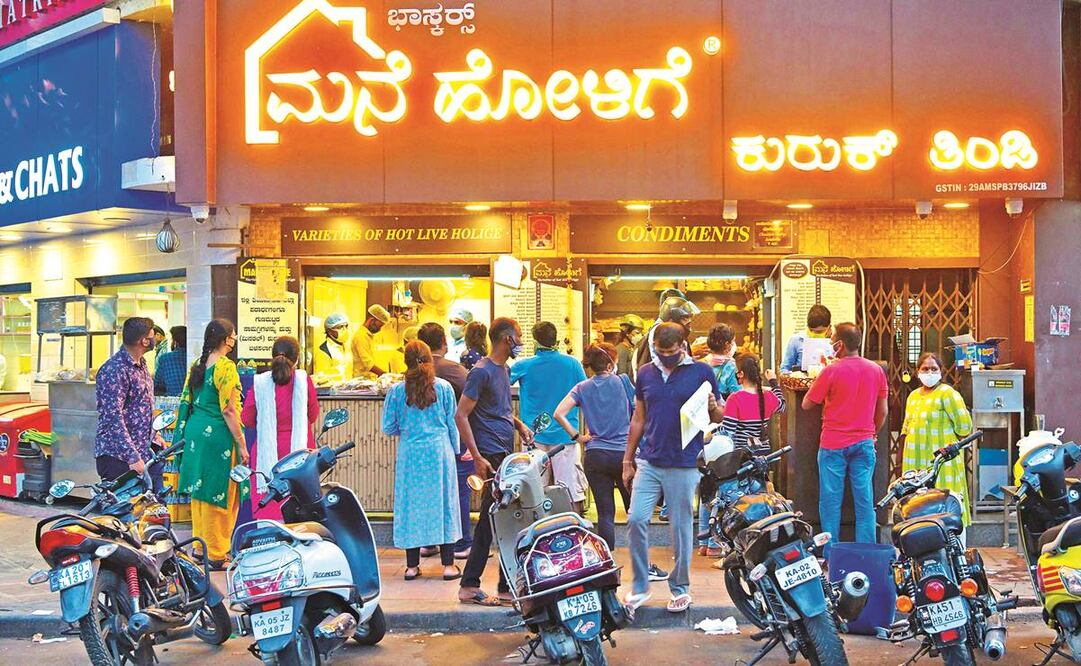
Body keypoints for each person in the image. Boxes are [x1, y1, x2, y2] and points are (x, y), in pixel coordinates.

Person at [624, 322, 724, 613]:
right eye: (659, 351)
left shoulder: (702, 372)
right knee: (636, 519)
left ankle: (680, 587)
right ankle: (641, 585)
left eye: (670, 351)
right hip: (649, 460)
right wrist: (627, 460)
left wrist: (712, 406)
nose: (664, 356)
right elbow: (638, 419)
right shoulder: (645, 373)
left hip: (684, 462)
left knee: (680, 529)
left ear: (683, 346)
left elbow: (719, 412)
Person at [457, 317, 535, 607]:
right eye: (518, 337)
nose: (521, 342)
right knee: (492, 521)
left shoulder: (504, 369)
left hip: (504, 454)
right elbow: (461, 414)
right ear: (506, 339)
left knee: (508, 519)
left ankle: (506, 585)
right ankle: (469, 586)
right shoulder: (480, 372)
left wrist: (519, 424)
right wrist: (476, 457)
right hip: (489, 457)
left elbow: (497, 409)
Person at [801, 322, 888, 557]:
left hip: (833, 444)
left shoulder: (832, 370)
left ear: (839, 344)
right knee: (864, 501)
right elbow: (883, 411)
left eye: (832, 340)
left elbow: (807, 403)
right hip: (864, 443)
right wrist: (872, 432)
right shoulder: (876, 370)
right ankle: (867, 554)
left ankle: (832, 554)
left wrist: (823, 374)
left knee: (830, 503)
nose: (830, 344)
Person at [382, 340, 463, 581]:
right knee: (444, 504)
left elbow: (388, 427)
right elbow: (452, 423)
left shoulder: (397, 391)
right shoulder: (444, 388)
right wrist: (457, 450)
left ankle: (411, 566)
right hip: (439, 452)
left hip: (411, 453)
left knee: (412, 506)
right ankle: (448, 566)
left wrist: (408, 432)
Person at [175, 319, 249, 568]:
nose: (235, 339)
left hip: (197, 434)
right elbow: (229, 410)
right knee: (221, 494)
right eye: (234, 335)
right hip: (218, 437)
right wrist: (241, 443)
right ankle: (217, 554)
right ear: (226, 339)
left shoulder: (198, 366)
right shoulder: (226, 368)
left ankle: (200, 548)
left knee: (201, 492)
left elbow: (187, 401)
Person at [553, 343, 633, 549]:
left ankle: (607, 563)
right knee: (634, 510)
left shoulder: (582, 387)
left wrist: (578, 437)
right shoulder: (622, 382)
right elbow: (640, 411)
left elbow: (559, 413)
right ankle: (641, 561)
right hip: (624, 455)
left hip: (595, 454)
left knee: (605, 512)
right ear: (609, 364)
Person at [510, 321, 588, 510]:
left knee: (534, 491)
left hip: (533, 436)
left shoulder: (524, 366)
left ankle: (536, 533)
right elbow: (587, 395)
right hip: (565, 436)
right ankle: (571, 529)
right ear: (556, 339)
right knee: (569, 491)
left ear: (535, 342)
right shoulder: (572, 364)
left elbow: (498, 385)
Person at [240, 336, 319, 521]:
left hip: (267, 455)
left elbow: (247, 419)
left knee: (269, 510)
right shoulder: (303, 381)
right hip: (300, 453)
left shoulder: (259, 383)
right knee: (301, 507)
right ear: (297, 359)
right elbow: (313, 415)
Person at [417, 322, 473, 559]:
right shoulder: (455, 371)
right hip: (454, 440)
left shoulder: (409, 375)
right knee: (458, 490)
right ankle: (460, 543)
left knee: (427, 490)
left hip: (419, 445)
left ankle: (428, 542)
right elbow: (474, 400)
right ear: (444, 343)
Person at [899, 352, 974, 526]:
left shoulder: (947, 393)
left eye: (934, 369)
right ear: (917, 371)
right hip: (915, 463)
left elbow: (964, 427)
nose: (930, 372)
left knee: (946, 505)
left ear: (941, 372)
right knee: (917, 506)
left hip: (941, 462)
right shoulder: (913, 397)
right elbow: (906, 427)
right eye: (925, 369)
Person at [95, 317, 159, 487]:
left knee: (154, 510)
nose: (156, 338)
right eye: (153, 334)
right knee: (124, 511)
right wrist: (132, 457)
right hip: (120, 458)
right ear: (144, 341)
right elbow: (112, 417)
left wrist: (154, 434)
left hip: (145, 452)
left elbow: (142, 406)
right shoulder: (114, 370)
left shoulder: (142, 365)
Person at [719, 353, 786, 455]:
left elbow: (728, 432)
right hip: (763, 455)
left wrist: (712, 432)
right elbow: (782, 406)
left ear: (740, 374)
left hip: (742, 456)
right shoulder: (768, 396)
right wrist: (773, 382)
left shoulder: (735, 399)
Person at [782, 304, 832, 373]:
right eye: (811, 330)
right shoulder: (796, 340)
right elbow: (785, 368)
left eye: (819, 332)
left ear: (829, 327)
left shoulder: (836, 342)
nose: (815, 333)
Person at [352, 304, 391, 378]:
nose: (379, 329)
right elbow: (368, 364)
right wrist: (386, 375)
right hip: (361, 382)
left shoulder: (369, 337)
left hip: (370, 380)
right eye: (379, 326)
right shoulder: (360, 337)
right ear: (371, 320)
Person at [703, 323, 740, 399]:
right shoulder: (731, 366)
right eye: (732, 342)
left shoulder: (704, 363)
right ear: (727, 344)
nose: (734, 345)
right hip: (724, 408)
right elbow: (737, 393)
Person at [314, 312, 351, 383]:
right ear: (329, 331)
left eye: (346, 326)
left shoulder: (345, 347)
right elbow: (321, 381)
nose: (345, 330)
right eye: (340, 327)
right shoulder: (324, 351)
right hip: (333, 393)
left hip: (347, 391)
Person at [154, 325, 188, 396]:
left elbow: (157, 384)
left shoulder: (165, 358)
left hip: (173, 402)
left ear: (175, 342)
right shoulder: (195, 358)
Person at [616, 314, 644, 379]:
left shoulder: (631, 348)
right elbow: (622, 375)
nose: (640, 335)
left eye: (641, 333)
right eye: (637, 332)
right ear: (627, 332)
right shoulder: (621, 349)